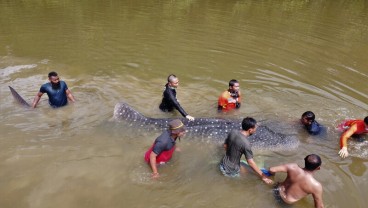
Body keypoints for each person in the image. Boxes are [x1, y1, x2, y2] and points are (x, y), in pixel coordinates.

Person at [219, 117, 273, 184]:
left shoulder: (233, 132)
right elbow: (250, 162)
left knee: (243, 167)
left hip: (222, 164)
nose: (255, 131)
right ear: (250, 130)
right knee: (250, 180)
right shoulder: (246, 143)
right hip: (231, 172)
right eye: (255, 129)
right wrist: (263, 176)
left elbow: (225, 146)